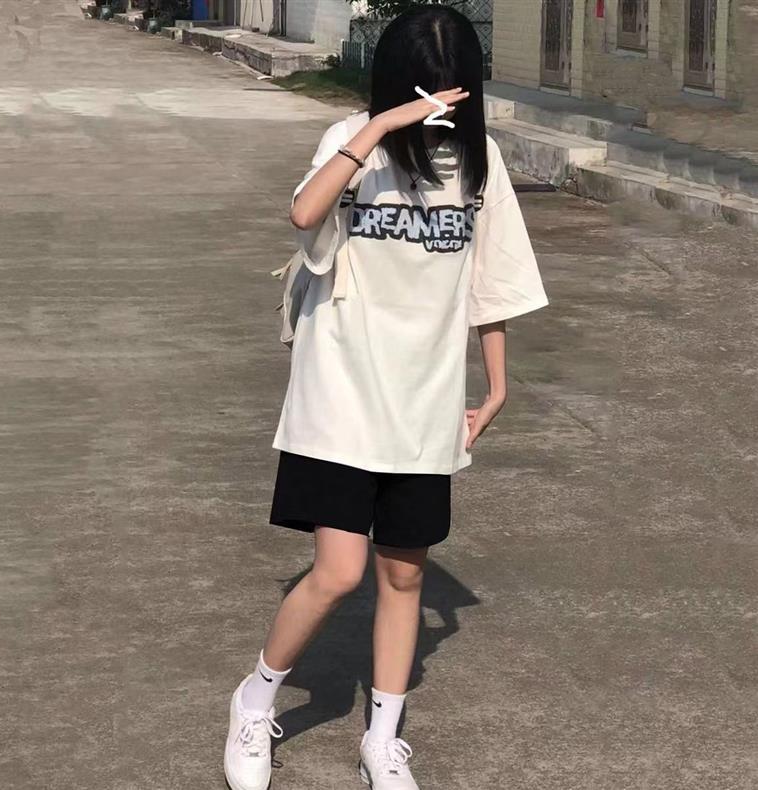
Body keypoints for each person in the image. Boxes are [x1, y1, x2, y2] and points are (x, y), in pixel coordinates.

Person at [223, 5, 549, 789]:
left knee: (404, 576)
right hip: (339, 391)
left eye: (450, 90)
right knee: (339, 572)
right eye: (423, 91)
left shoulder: (479, 163)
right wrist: (378, 126)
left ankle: (382, 739)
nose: (437, 107)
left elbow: (491, 278)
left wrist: (497, 384)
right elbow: (304, 214)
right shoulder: (351, 143)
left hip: (425, 398)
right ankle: (255, 701)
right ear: (398, 84)